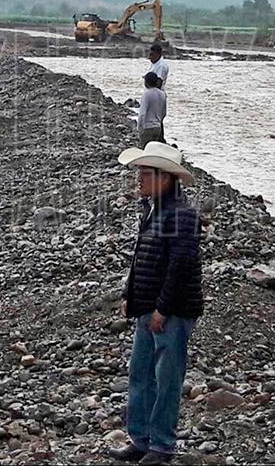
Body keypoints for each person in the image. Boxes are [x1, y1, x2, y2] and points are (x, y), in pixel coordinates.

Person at [110, 142, 203, 465]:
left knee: (166, 380)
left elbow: (181, 265)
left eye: (144, 174)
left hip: (171, 311)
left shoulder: (183, 215)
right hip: (147, 307)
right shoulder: (155, 209)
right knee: (140, 374)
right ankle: (140, 439)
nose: (138, 180)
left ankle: (162, 445)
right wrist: (129, 295)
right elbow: (142, 258)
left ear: (164, 179)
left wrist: (162, 309)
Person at [138, 72, 166, 148]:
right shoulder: (162, 94)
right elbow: (164, 112)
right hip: (157, 127)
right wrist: (159, 121)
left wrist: (140, 127)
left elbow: (142, 113)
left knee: (145, 149)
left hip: (147, 127)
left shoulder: (146, 94)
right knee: (153, 149)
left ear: (146, 82)